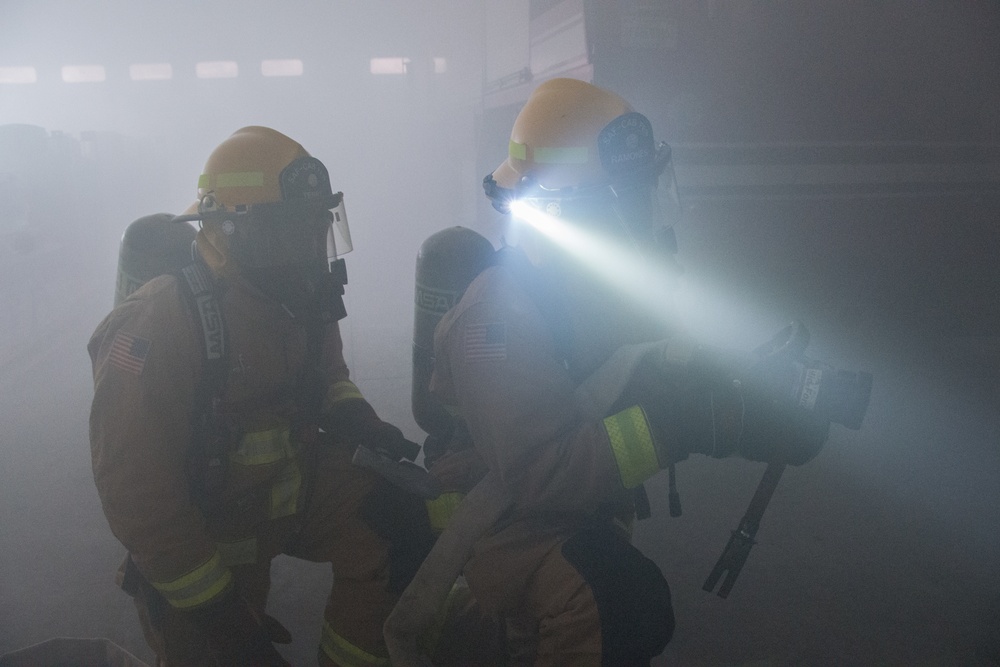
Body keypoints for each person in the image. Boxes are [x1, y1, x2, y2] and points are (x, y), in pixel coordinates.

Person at [417, 78, 831, 665]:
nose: (646, 215)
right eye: (629, 199)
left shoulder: (596, 287)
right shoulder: (496, 320)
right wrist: (688, 427)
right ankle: (474, 631)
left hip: (575, 512)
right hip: (505, 526)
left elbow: (667, 364)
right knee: (615, 603)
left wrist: (760, 401)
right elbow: (541, 473)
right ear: (576, 209)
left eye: (647, 192)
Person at [89, 126, 433, 667]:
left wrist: (357, 416)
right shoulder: (157, 323)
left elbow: (327, 376)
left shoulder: (298, 297)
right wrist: (230, 628)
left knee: (397, 521)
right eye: (288, 233)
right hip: (204, 540)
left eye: (314, 229)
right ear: (227, 231)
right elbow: (141, 503)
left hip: (285, 495)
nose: (305, 251)